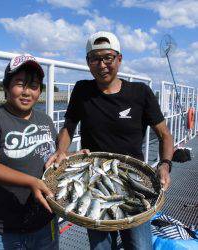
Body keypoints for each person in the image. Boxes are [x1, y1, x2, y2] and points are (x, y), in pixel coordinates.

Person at [46, 31, 174, 250]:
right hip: (93, 179)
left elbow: (164, 134)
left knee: (140, 246)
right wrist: (61, 150)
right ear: (88, 62)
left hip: (133, 180)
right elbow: (68, 127)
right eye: (95, 59)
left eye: (108, 57)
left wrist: (164, 164)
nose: (102, 64)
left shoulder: (140, 92)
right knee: (101, 247)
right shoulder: (82, 90)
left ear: (119, 59)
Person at [0, 54, 59, 250]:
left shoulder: (45, 120)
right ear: (6, 87)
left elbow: (56, 155)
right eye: (20, 83)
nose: (27, 92)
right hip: (1, 231)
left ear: (40, 91)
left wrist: (69, 156)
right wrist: (31, 182)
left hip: (45, 223)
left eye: (34, 85)